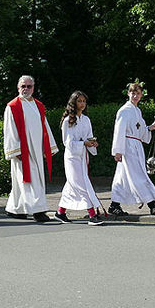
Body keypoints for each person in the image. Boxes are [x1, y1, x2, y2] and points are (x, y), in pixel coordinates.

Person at [3, 75, 58, 222]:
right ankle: (38, 211)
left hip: (37, 150)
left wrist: (49, 146)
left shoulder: (38, 105)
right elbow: (9, 129)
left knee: (24, 180)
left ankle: (16, 209)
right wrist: (15, 150)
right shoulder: (13, 106)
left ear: (33, 88)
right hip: (23, 151)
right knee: (28, 180)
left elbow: (44, 125)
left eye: (29, 86)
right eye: (23, 86)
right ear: (18, 87)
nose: (26, 89)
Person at [108, 81, 155, 217]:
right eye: (133, 93)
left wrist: (151, 127)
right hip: (127, 147)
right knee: (139, 175)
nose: (135, 96)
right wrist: (118, 150)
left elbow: (141, 130)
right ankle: (152, 204)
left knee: (122, 177)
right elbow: (119, 130)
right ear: (128, 94)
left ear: (141, 95)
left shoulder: (137, 111)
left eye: (138, 93)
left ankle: (114, 205)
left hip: (136, 146)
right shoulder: (124, 110)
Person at [55, 90, 104, 225]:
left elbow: (89, 136)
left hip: (82, 157)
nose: (82, 104)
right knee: (81, 185)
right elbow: (68, 143)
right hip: (72, 158)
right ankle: (92, 214)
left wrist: (92, 143)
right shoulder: (67, 121)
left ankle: (60, 212)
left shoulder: (86, 120)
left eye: (84, 101)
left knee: (72, 185)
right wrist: (84, 143)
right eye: (79, 101)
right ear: (73, 103)